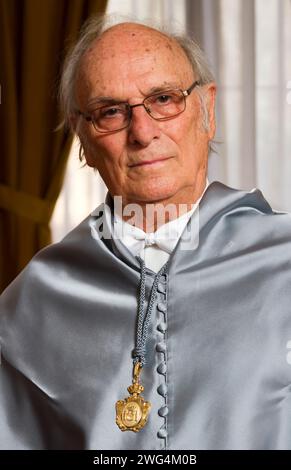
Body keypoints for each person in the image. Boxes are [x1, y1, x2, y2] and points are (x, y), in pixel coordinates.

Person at [0, 14, 291, 451]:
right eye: (110, 112)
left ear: (207, 111)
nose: (142, 131)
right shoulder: (33, 299)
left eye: (164, 98)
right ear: (82, 140)